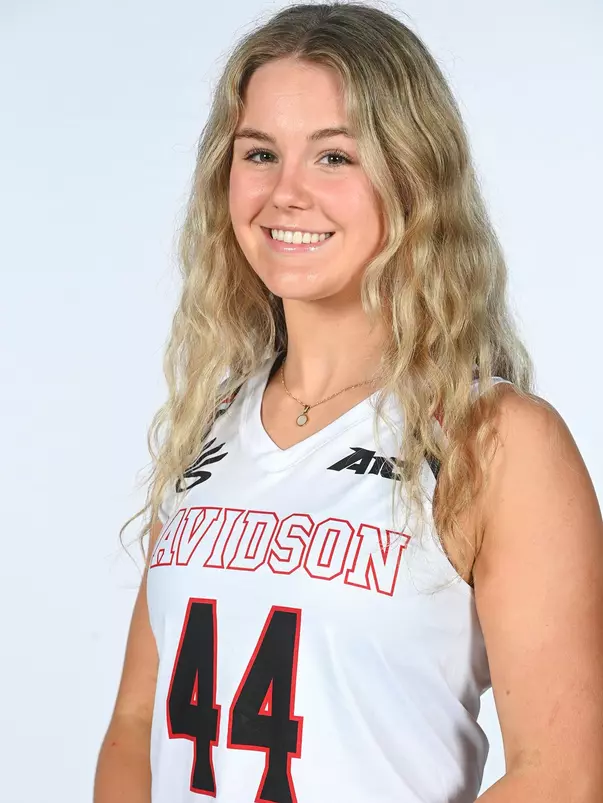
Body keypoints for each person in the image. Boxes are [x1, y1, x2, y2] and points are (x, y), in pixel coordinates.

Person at [94, 3, 603, 802]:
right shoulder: (210, 420)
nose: (285, 193)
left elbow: (563, 775)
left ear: (412, 175)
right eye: (259, 153)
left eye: (333, 156)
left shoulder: (493, 439)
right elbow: (134, 724)